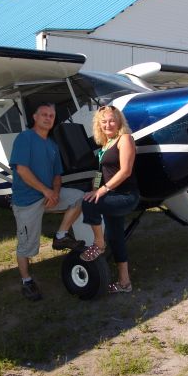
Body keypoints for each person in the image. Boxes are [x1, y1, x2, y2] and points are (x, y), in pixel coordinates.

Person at [10, 102, 85, 301]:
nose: (48, 118)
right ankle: (26, 281)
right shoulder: (25, 138)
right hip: (27, 200)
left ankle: (61, 236)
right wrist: (46, 191)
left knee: (79, 197)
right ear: (35, 117)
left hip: (48, 195)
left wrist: (56, 192)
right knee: (27, 247)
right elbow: (22, 170)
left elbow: (57, 175)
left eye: (51, 115)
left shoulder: (52, 145)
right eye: (44, 114)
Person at [80, 105, 139, 293]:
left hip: (127, 196)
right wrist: (95, 189)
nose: (108, 124)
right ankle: (125, 283)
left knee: (89, 204)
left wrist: (102, 191)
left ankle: (98, 243)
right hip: (112, 195)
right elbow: (99, 173)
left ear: (119, 121)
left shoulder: (125, 139)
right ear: (99, 125)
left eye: (112, 120)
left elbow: (125, 171)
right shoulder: (104, 145)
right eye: (103, 121)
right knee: (116, 238)